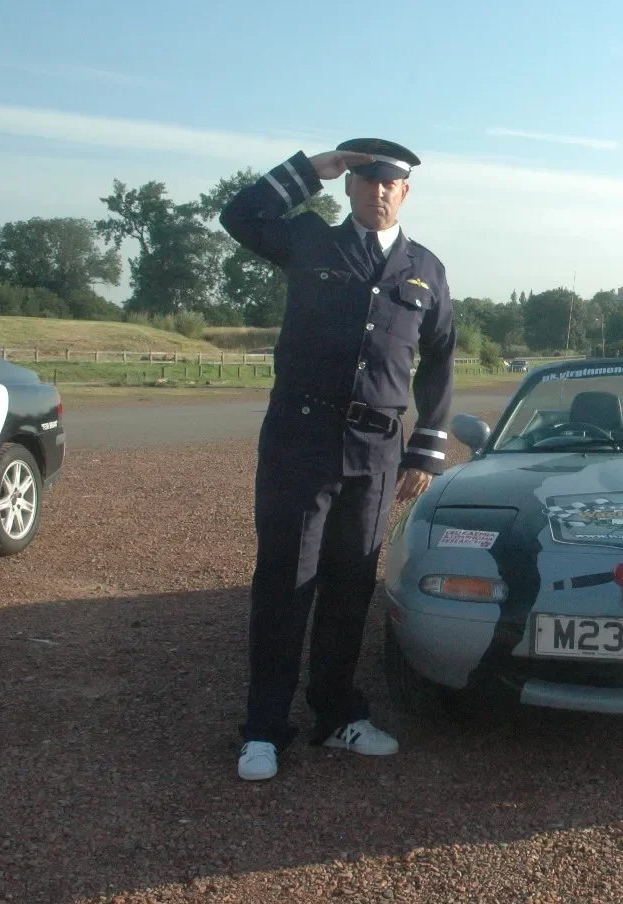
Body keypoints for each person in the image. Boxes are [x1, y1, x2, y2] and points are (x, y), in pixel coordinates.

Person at [220, 138, 456, 781]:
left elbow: (439, 359)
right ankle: (264, 728)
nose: (378, 192)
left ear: (406, 192)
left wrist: (425, 448)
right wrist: (312, 170)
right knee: (285, 584)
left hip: (377, 452)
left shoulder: (425, 269)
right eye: (366, 180)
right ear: (350, 187)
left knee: (352, 586)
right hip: (301, 441)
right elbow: (239, 217)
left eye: (390, 184)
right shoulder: (311, 242)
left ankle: (336, 715)